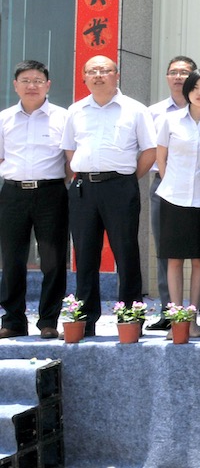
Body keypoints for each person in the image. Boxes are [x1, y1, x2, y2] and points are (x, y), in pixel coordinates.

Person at [61, 55, 156, 336]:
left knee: (126, 252)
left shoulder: (135, 110)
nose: (98, 75)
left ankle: (130, 317)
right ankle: (85, 319)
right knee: (84, 254)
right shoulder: (76, 110)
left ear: (117, 75)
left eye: (105, 70)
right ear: (84, 77)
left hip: (120, 187)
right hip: (84, 188)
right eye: (92, 71)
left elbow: (150, 151)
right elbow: (70, 150)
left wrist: (127, 180)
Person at [0, 60, 69, 339]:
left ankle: (48, 321)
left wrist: (57, 183)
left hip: (51, 193)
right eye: (26, 81)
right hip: (13, 193)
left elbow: (70, 160)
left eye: (38, 81)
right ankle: (13, 321)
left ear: (48, 85)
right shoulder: (4, 118)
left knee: (53, 260)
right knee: (11, 259)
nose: (32, 86)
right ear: (15, 85)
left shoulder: (63, 117)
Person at [154, 68, 200, 339]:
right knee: (174, 260)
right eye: (196, 87)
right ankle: (176, 319)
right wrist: (172, 183)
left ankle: (192, 319)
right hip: (173, 197)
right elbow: (161, 157)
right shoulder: (170, 120)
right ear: (188, 90)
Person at [146, 56, 198, 330]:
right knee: (166, 251)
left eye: (184, 72)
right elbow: (148, 151)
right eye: (173, 72)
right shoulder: (154, 113)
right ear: (167, 77)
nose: (178, 77)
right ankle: (170, 312)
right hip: (164, 186)